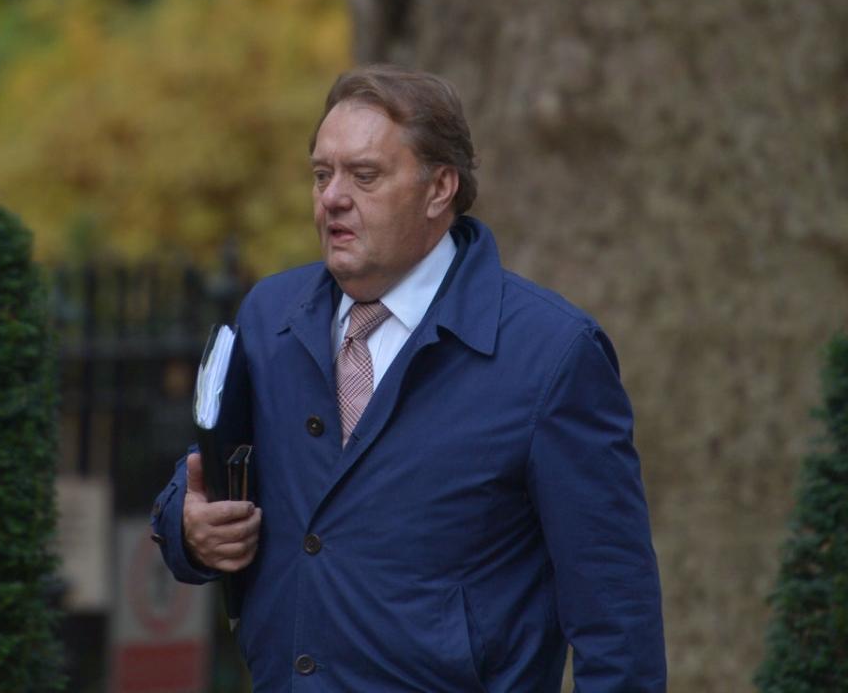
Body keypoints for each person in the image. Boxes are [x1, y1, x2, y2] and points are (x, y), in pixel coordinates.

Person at [151, 64, 667, 691]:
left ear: (438, 188)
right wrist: (187, 524)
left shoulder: (551, 353)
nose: (332, 197)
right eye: (321, 174)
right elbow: (208, 474)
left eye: (364, 175)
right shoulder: (270, 317)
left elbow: (618, 617)